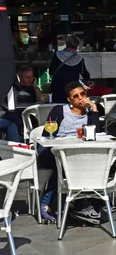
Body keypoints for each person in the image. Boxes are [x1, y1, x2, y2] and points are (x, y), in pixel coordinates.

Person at [38, 81, 102, 222]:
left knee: (91, 161)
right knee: (63, 163)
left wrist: (95, 109)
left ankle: (88, 202)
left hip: (77, 152)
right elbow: (46, 135)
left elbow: (95, 134)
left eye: (83, 94)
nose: (80, 98)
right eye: (75, 96)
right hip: (51, 152)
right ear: (69, 99)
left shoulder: (90, 114)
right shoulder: (59, 111)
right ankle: (46, 203)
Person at [1, 65, 43, 142]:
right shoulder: (12, 87)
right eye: (27, 77)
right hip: (14, 114)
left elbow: (40, 99)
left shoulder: (33, 88)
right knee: (15, 122)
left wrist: (35, 86)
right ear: (19, 77)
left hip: (30, 114)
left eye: (32, 77)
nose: (30, 79)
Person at [49, 36, 90, 103]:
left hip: (57, 88)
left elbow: (51, 71)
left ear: (66, 43)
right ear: (77, 45)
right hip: (72, 90)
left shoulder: (57, 55)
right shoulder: (79, 60)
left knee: (58, 109)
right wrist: (87, 83)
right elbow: (85, 75)